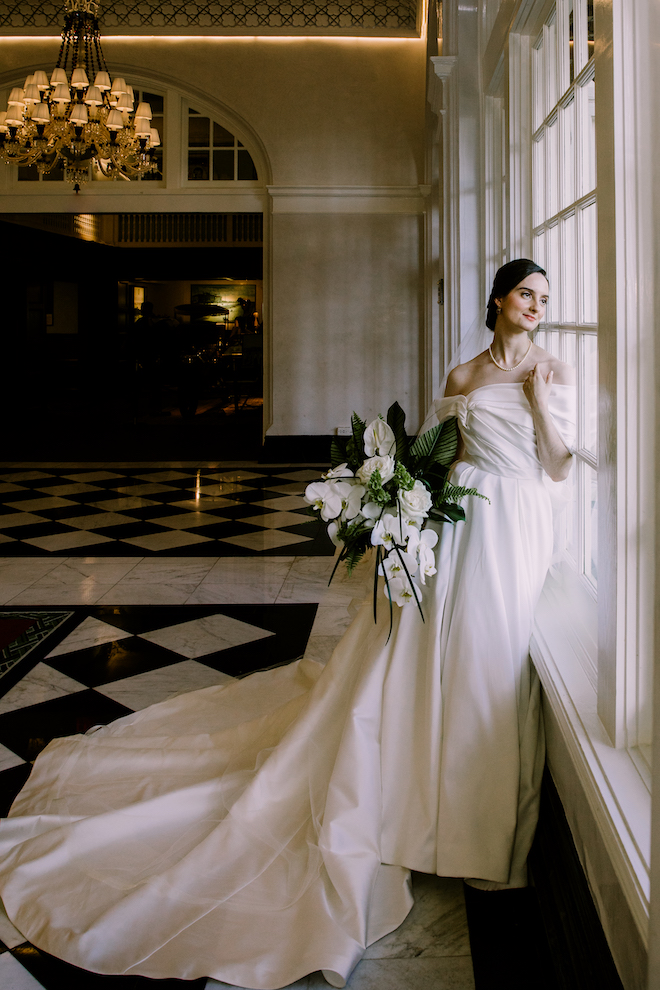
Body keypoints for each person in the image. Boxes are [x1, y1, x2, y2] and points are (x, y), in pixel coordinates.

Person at [0, 260, 575, 989]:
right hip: (462, 529)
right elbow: (441, 460)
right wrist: (401, 511)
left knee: (490, 663)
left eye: (546, 300)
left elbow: (556, 468)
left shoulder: (552, 369)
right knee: (439, 656)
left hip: (518, 527)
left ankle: (471, 825)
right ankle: (420, 810)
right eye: (528, 294)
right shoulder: (461, 377)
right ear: (498, 298)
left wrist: (541, 402)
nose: (537, 308)